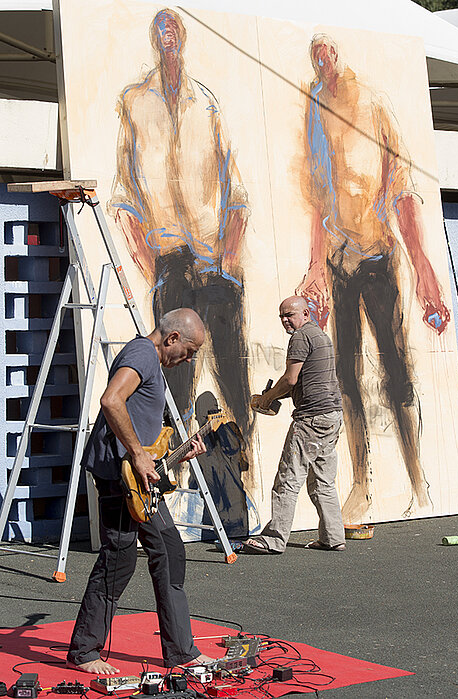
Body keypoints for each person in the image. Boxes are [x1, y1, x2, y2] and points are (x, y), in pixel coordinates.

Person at [297, 34, 450, 522]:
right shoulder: (315, 108)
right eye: (316, 56)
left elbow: (402, 191)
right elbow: (319, 196)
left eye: (328, 53)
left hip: (379, 257)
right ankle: (362, 481)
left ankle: (419, 479)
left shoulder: (373, 105)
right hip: (340, 262)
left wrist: (424, 270)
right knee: (346, 374)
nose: (323, 62)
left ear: (339, 58)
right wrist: (316, 266)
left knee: (396, 369)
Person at [108, 8, 254, 470]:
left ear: (184, 36)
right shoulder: (135, 102)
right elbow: (123, 200)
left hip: (216, 261)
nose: (166, 35)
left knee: (234, 377)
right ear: (154, 41)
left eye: (173, 27)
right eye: (159, 29)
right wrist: (151, 267)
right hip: (170, 262)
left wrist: (227, 259)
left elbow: (236, 192)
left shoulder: (205, 103)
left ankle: (245, 470)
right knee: (173, 389)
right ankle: (171, 475)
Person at [67, 308, 213, 674]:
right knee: (118, 559)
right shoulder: (142, 354)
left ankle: (181, 652)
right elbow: (111, 400)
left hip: (139, 479)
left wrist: (174, 453)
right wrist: (136, 453)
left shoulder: (150, 361)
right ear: (172, 338)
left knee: (169, 549)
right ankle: (84, 651)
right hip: (120, 477)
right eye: (190, 350)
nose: (189, 359)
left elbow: (143, 428)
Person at [245, 296, 345, 554]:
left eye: (289, 314)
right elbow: (306, 382)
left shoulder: (300, 337)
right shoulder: (320, 336)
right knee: (323, 481)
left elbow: (290, 379)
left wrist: (267, 398)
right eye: (281, 316)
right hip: (331, 416)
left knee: (287, 479)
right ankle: (333, 537)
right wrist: (277, 395)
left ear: (306, 313)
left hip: (311, 419)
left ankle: (274, 540)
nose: (285, 320)